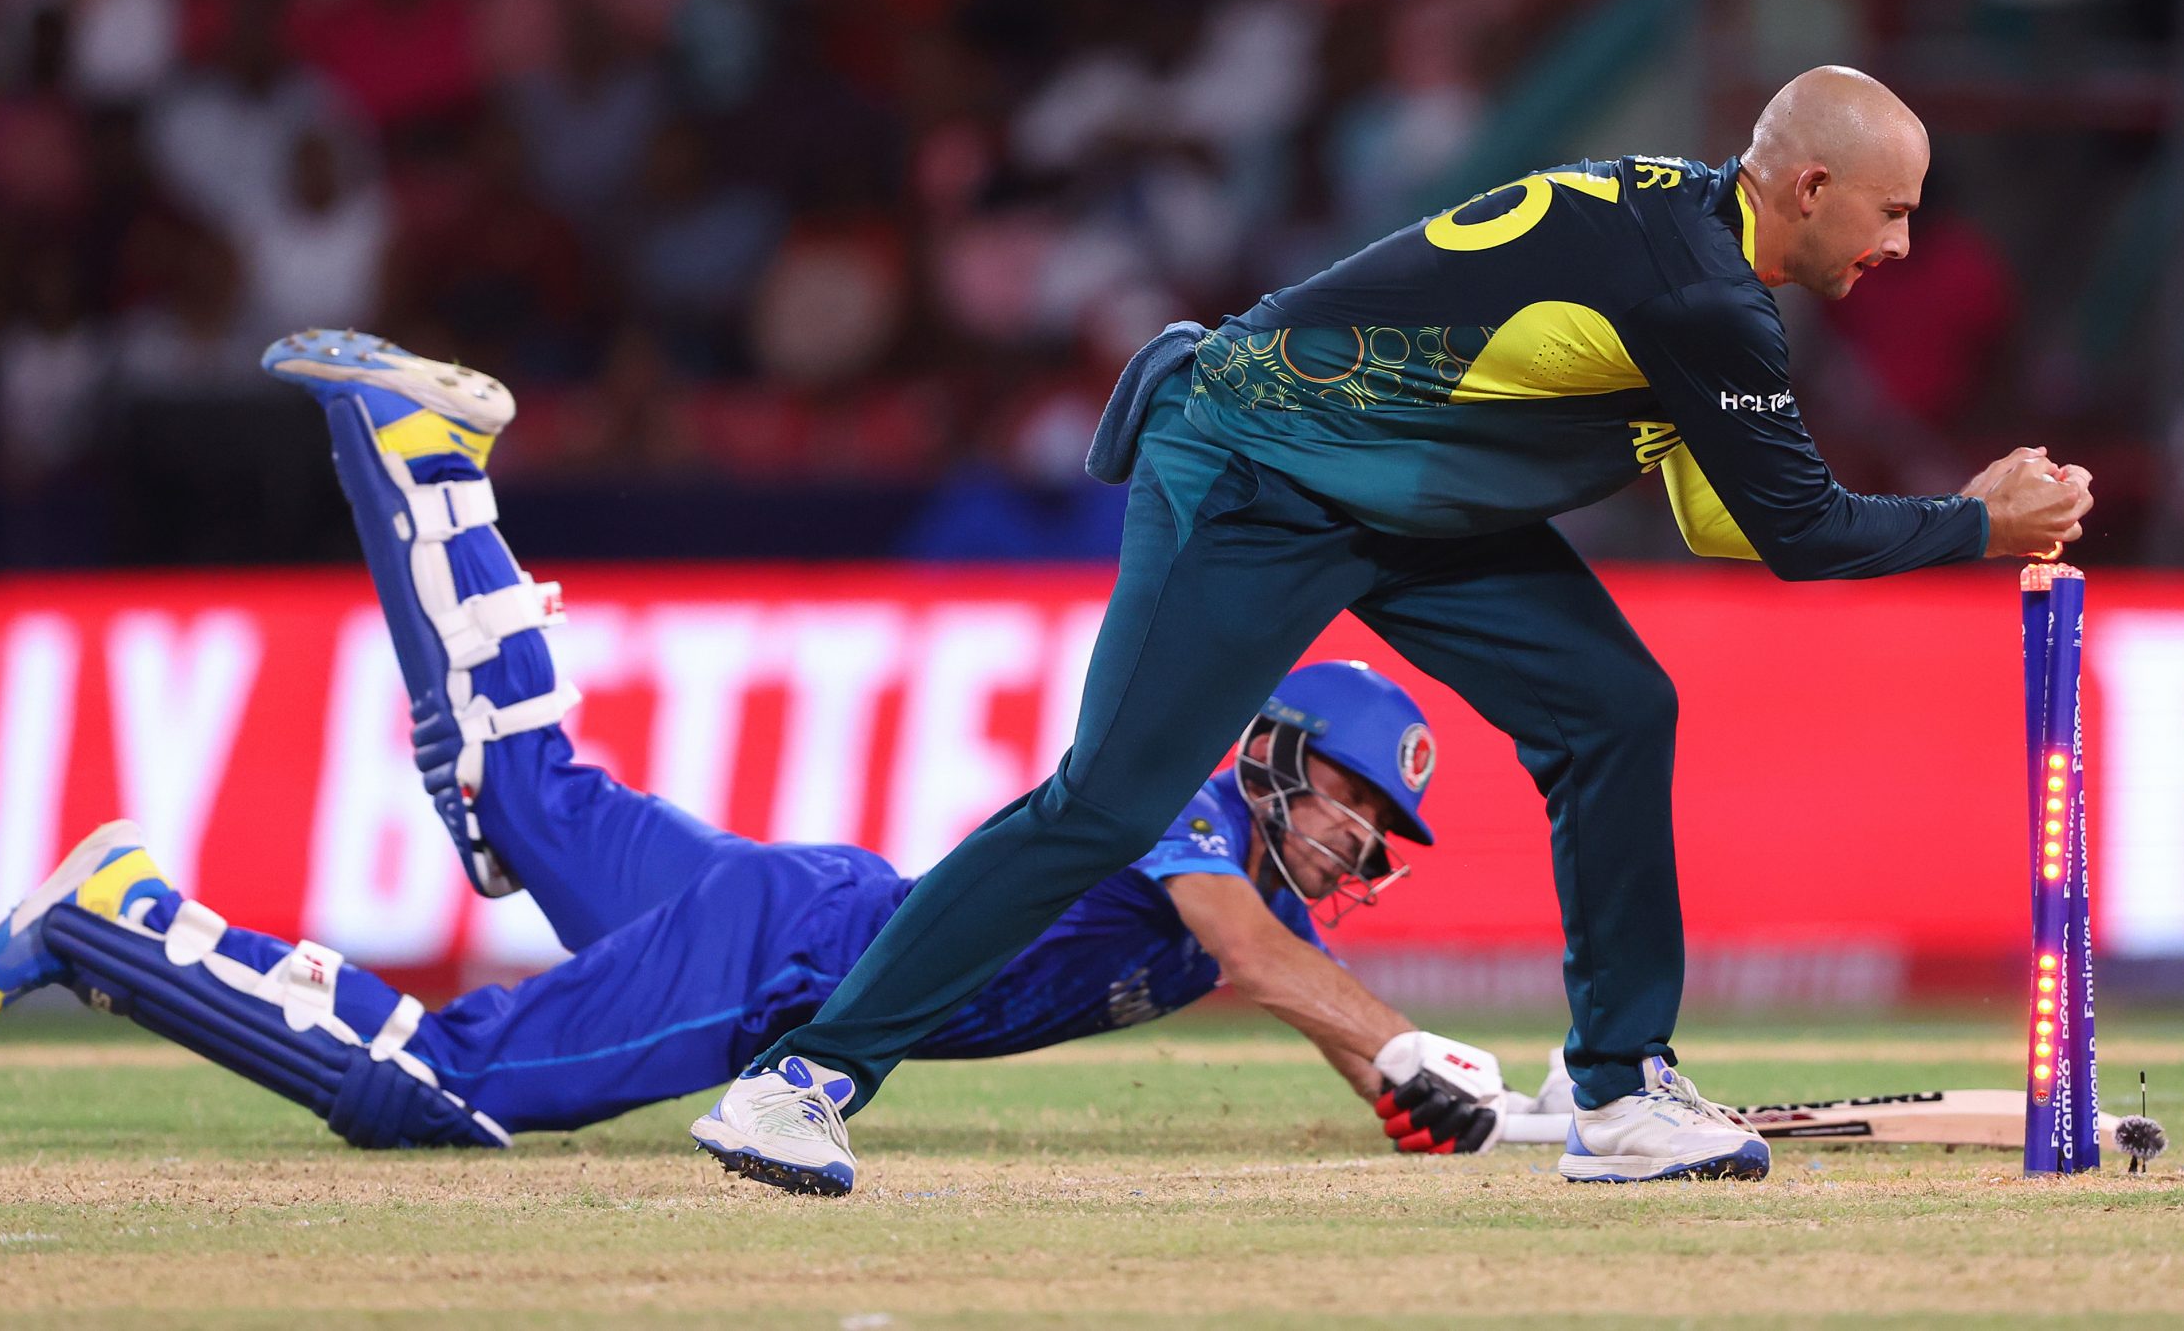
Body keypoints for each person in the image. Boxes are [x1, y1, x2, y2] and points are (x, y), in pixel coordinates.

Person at [708, 64, 2094, 1192]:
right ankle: (803, 1080)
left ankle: (1617, 1087)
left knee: (1614, 707)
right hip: (1252, 470)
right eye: (1892, 212)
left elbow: (1727, 523)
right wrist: (1977, 526)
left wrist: (1959, 523)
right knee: (1105, 804)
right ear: (1808, 188)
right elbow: (1797, 538)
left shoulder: (1693, 239)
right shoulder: (1708, 300)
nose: (1903, 244)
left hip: (1398, 498)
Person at [0, 333, 1514, 1163]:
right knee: (429, 1091)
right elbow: (1238, 944)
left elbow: (1300, 981)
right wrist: (1392, 1037)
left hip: (800, 910)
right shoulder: (1183, 792)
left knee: (522, 792)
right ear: (1274, 752)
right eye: (1354, 807)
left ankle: (414, 449)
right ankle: (124, 917)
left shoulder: (1285, 907)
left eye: (1385, 839)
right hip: (780, 962)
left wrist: (1419, 1094)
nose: (1362, 848)